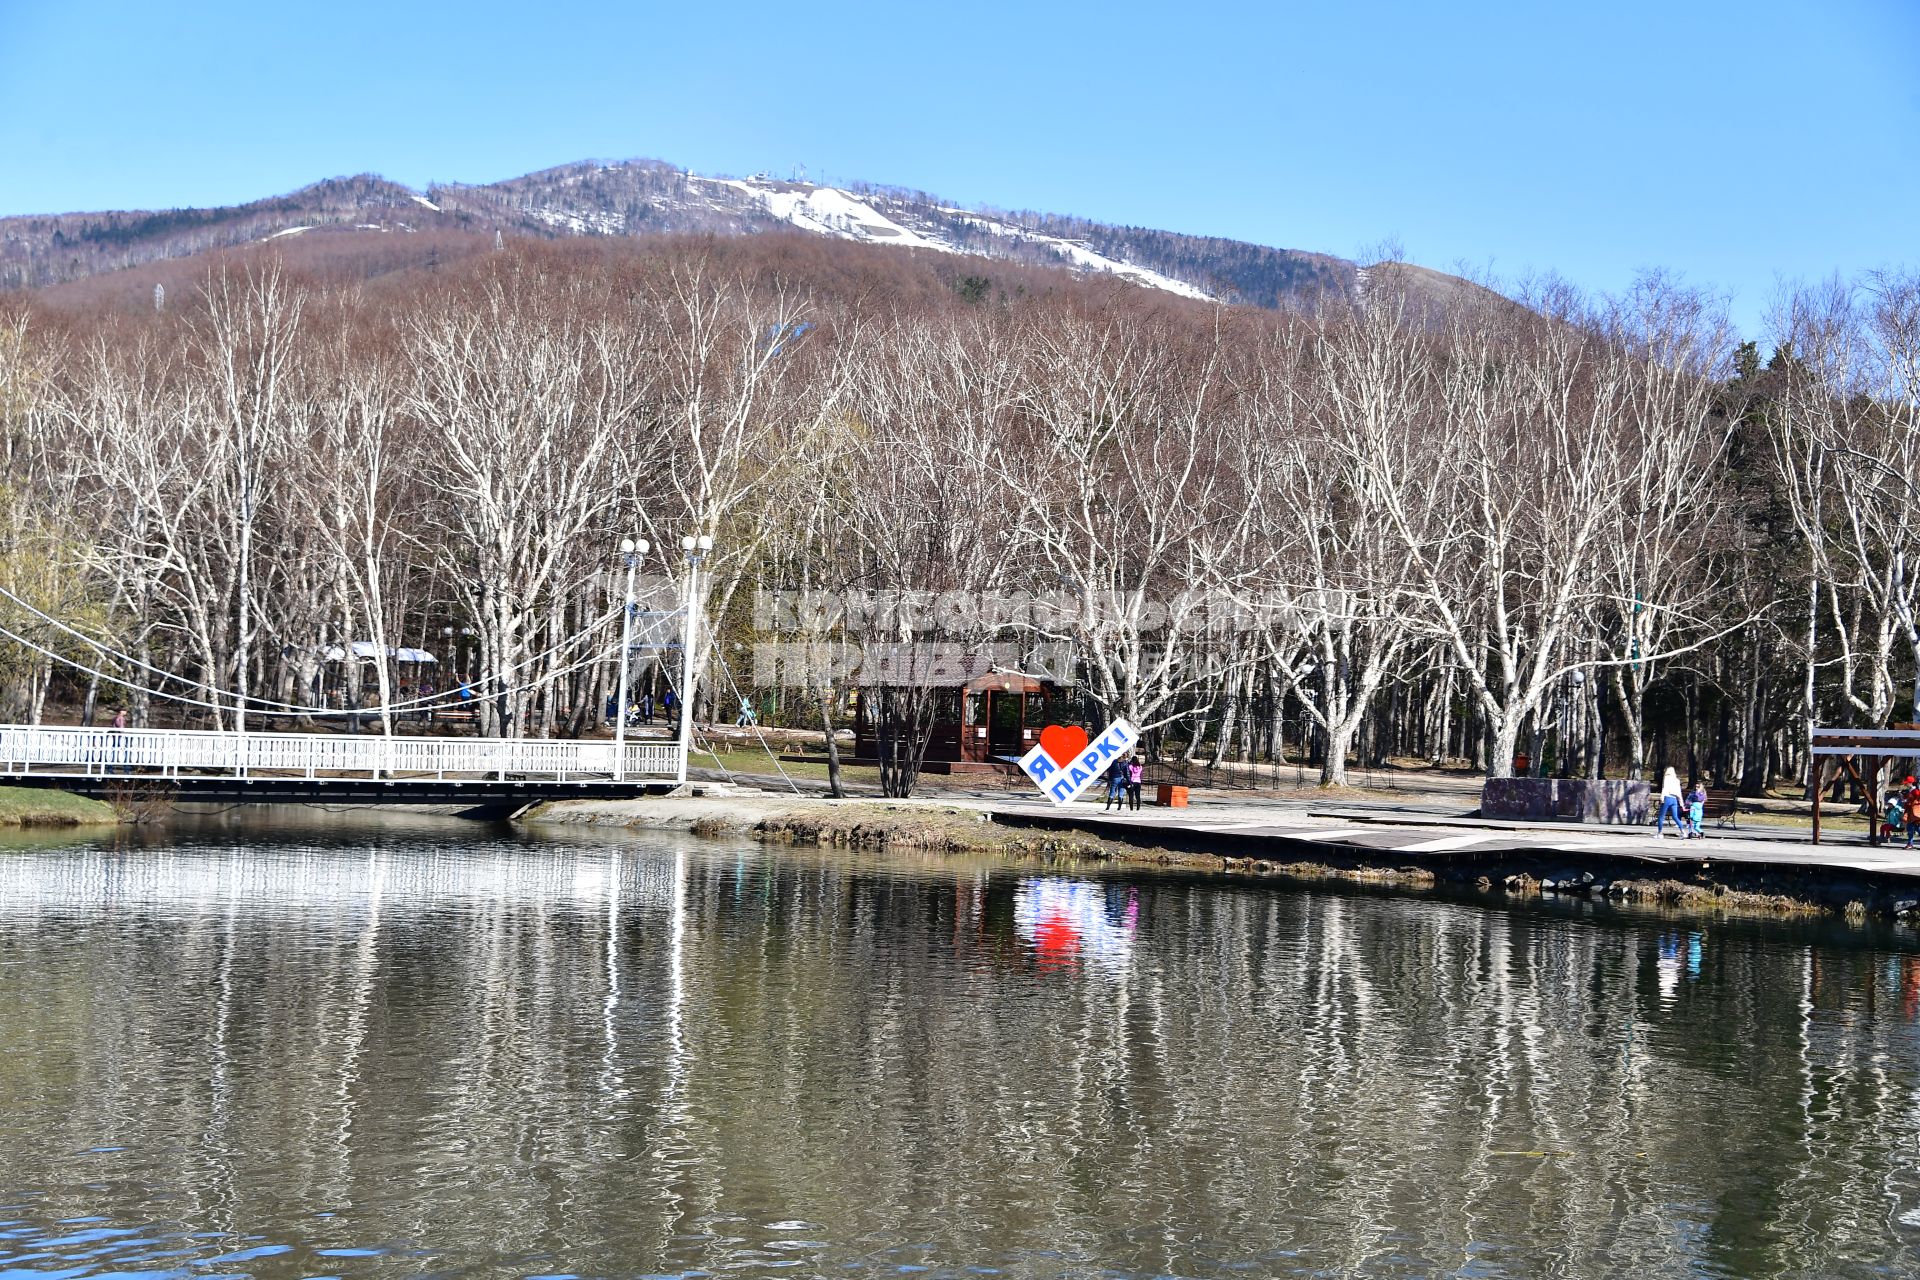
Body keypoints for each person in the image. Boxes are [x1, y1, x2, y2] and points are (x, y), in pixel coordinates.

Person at [1654, 767, 1685, 838]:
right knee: (1675, 817)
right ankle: (1683, 831)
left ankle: (1660, 833)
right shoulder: (1677, 780)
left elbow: (1665, 788)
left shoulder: (1667, 778)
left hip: (1667, 797)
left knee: (1661, 816)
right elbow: (1679, 793)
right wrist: (1681, 803)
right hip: (1674, 799)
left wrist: (1662, 797)